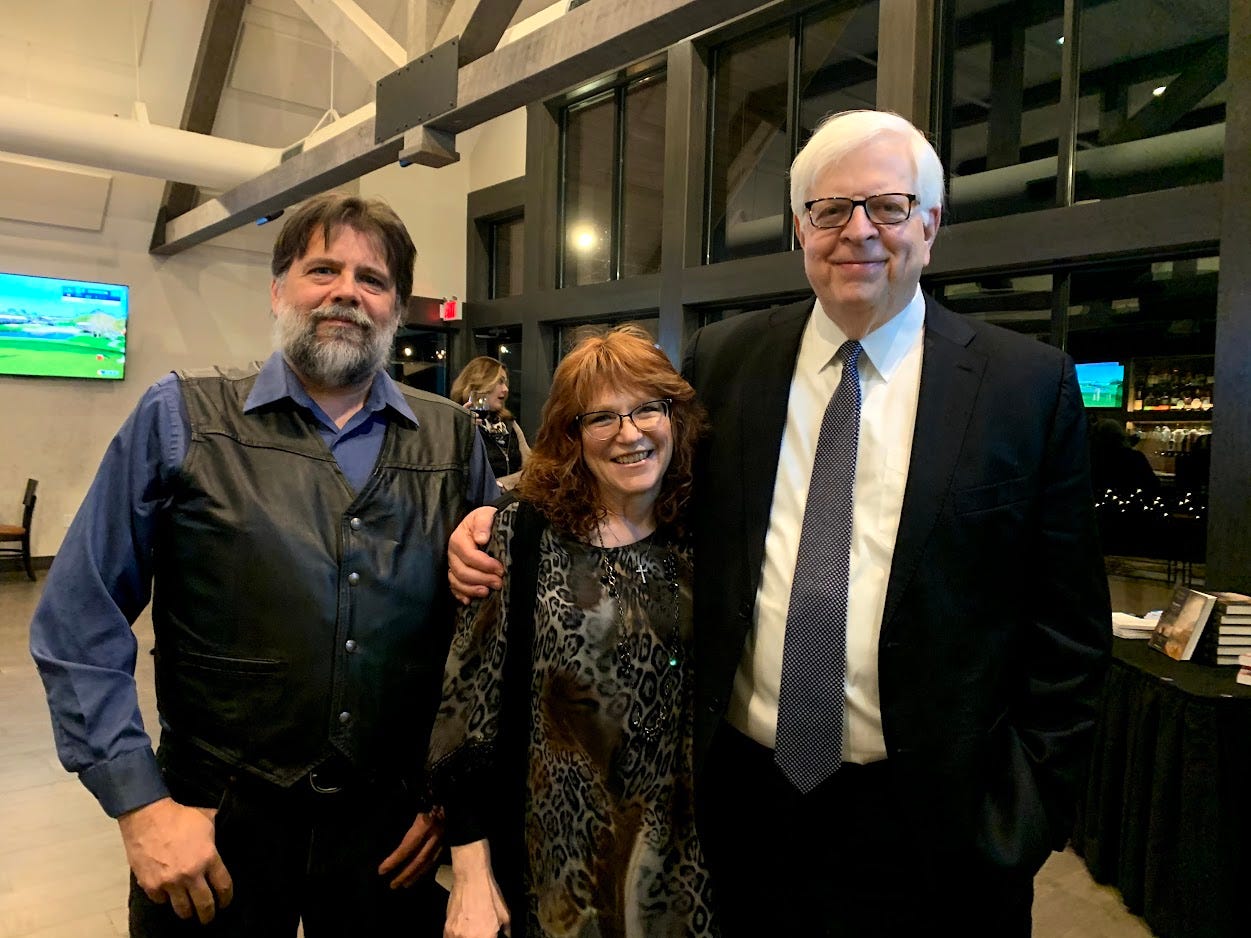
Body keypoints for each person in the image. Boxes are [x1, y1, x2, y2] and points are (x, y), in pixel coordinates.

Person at [448, 110, 1111, 935]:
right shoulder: (726, 360)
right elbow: (635, 491)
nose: (857, 231)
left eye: (888, 206)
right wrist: (501, 517)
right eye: (829, 210)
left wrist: (1023, 813)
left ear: (930, 223)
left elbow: (1070, 632)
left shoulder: (1025, 385)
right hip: (740, 809)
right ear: (800, 228)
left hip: (940, 828)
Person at [30, 192, 497, 934]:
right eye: (323, 270)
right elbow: (76, 620)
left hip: (393, 832)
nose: (347, 291)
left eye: (372, 280)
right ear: (279, 290)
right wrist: (140, 806)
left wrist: (455, 802)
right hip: (212, 827)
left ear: (396, 308)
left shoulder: (452, 442)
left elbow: (485, 647)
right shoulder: (181, 418)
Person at [427, 325, 716, 938]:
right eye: (602, 418)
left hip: (688, 870)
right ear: (571, 435)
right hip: (556, 870)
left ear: (676, 419)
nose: (630, 433)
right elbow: (465, 711)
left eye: (647, 409)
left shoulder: (706, 532)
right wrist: (470, 873)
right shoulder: (522, 535)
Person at [451, 356, 530, 488]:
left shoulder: (508, 423)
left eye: (505, 383)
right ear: (481, 383)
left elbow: (531, 469)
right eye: (500, 382)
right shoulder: (455, 424)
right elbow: (457, 480)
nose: (506, 389)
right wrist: (463, 431)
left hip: (512, 499)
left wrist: (503, 485)